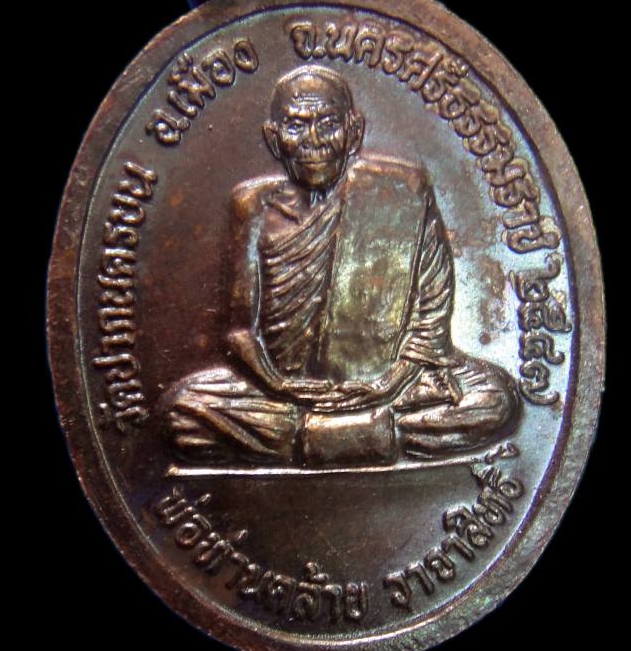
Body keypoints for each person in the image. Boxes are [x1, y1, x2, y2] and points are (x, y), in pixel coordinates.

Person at [164, 65, 520, 467]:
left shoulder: (403, 190)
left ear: (354, 132)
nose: (314, 141)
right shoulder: (254, 207)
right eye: (296, 126)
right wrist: (281, 386)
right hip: (284, 394)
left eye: (328, 124)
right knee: (183, 412)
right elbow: (240, 331)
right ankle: (373, 436)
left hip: (391, 386)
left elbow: (431, 315)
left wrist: (389, 382)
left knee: (494, 399)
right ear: (274, 139)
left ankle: (312, 440)